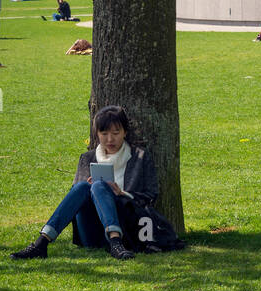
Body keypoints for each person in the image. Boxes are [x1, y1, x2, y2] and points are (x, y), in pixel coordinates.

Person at [10, 105, 161, 261]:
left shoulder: (140, 157)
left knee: (98, 185)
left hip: (127, 230)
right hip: (91, 231)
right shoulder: (87, 158)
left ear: (125, 132)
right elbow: (74, 200)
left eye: (116, 133)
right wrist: (91, 189)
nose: (110, 139)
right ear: (97, 134)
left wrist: (122, 193)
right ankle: (41, 242)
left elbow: (151, 196)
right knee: (84, 186)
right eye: (104, 134)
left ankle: (116, 241)